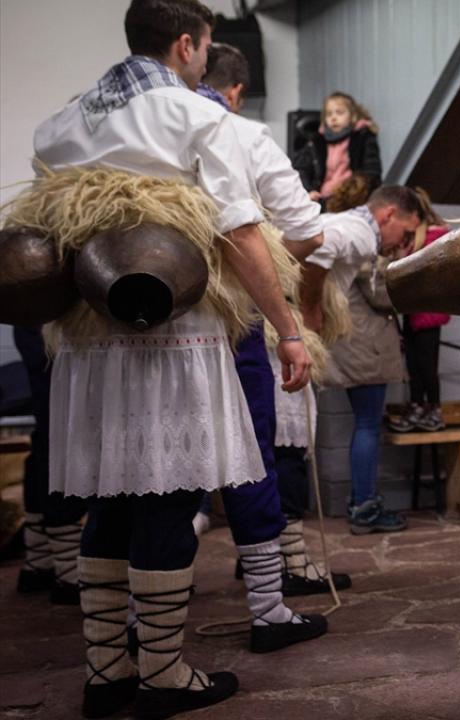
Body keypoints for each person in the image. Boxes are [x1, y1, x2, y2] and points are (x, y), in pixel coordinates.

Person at [28, 0, 314, 716]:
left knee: (113, 501)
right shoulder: (195, 117)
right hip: (173, 334)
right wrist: (287, 327)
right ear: (187, 46)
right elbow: (242, 234)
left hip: (91, 341)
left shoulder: (63, 123)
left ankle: (106, 672)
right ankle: (161, 674)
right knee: (169, 493)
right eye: (205, 45)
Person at [198, 42, 351, 599]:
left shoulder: (139, 125)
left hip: (147, 317)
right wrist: (269, 275)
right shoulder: (239, 134)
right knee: (267, 447)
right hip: (245, 316)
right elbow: (309, 235)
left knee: (161, 478)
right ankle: (269, 595)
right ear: (236, 92)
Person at [300, 185, 422, 534]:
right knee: (368, 424)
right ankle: (364, 504)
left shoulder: (347, 223)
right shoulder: (361, 234)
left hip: (354, 342)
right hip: (362, 345)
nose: (403, 239)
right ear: (388, 215)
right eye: (405, 230)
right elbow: (383, 294)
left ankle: (364, 501)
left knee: (365, 424)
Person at [13, 325, 86, 606]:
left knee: (49, 435)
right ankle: (68, 570)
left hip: (34, 313)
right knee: (62, 437)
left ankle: (41, 558)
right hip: (54, 320)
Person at [388, 190, 451, 434]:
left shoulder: (434, 235)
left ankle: (433, 410)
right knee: (413, 364)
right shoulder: (415, 236)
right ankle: (417, 407)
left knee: (426, 364)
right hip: (412, 309)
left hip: (427, 311)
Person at [291, 91, 382, 209]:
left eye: (339, 113)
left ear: (353, 116)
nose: (333, 118)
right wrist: (308, 191)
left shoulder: (363, 137)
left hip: (354, 201)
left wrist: (355, 194)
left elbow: (371, 172)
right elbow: (301, 170)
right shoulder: (316, 141)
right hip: (322, 201)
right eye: (329, 114)